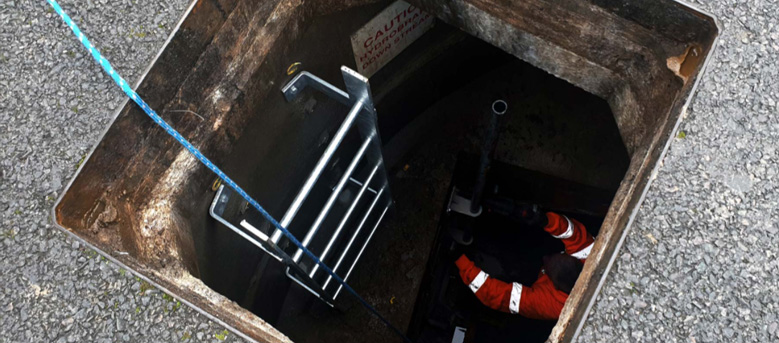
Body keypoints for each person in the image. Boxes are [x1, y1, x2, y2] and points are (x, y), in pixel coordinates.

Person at [454, 206, 594, 320]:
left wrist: (459, 259)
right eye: (552, 256)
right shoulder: (589, 255)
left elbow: (497, 296)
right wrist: (544, 220)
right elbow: (570, 231)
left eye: (548, 263)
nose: (545, 258)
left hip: (527, 277)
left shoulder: (550, 304)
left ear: (555, 286)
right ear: (577, 260)